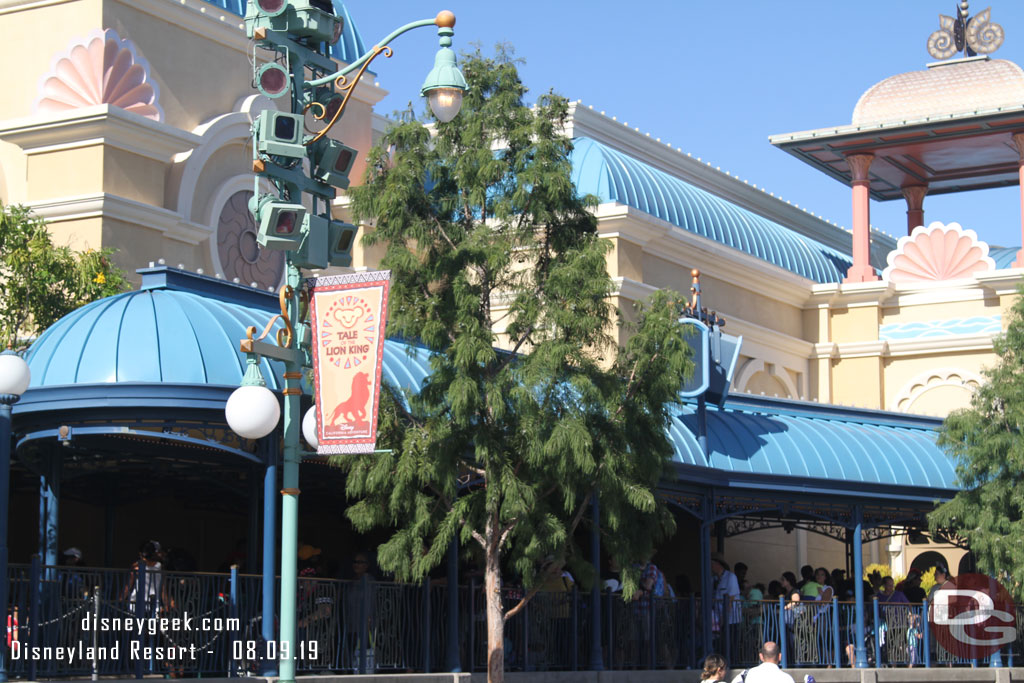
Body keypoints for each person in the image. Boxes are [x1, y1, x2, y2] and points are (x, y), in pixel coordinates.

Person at [712, 553, 741, 657]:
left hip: (731, 619)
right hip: (718, 619)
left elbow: (730, 599)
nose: (711, 567)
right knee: (721, 645)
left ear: (718, 565)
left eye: (713, 564)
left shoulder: (730, 577)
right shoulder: (714, 579)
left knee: (731, 645)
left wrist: (724, 617)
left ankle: (732, 664)